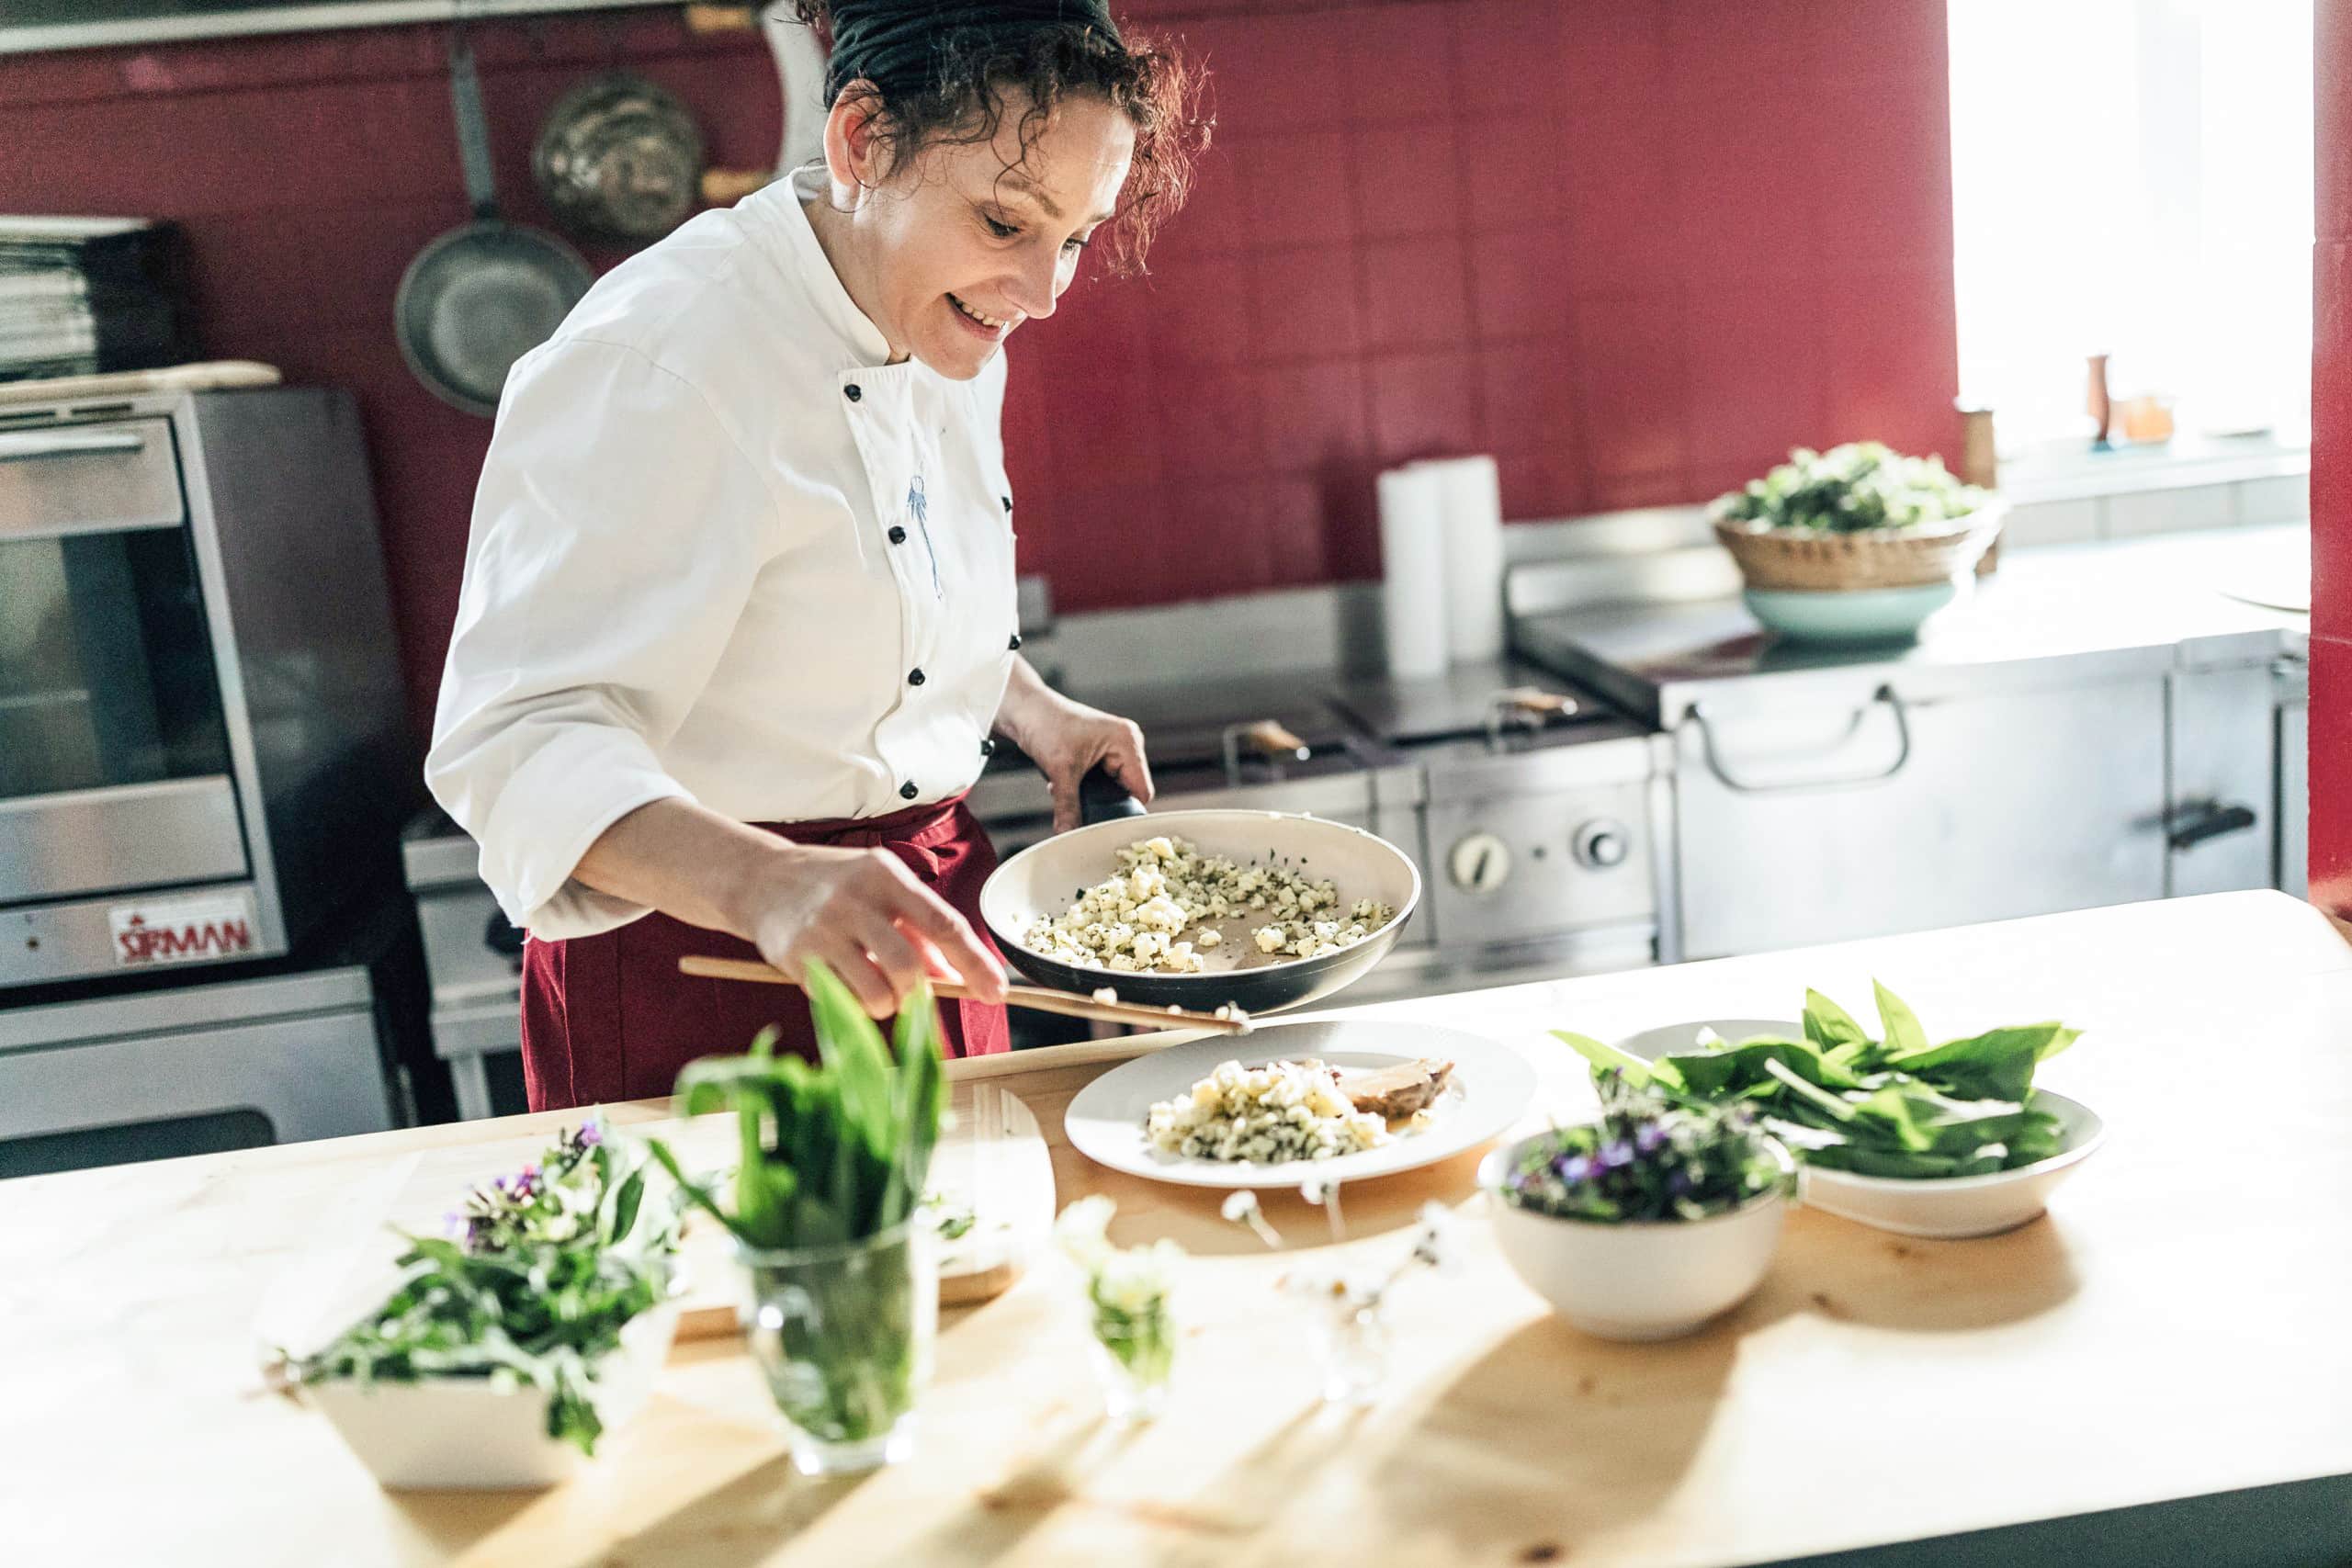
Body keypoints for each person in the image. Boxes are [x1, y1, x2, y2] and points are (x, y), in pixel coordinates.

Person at [425, 0, 1204, 1110]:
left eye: (1074, 237)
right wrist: (766, 885)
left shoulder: (949, 320)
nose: (1043, 294)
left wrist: (1033, 711)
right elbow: (511, 740)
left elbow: (875, 589)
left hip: (924, 921)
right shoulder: (656, 357)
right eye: (1004, 222)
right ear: (861, 141)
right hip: (708, 966)